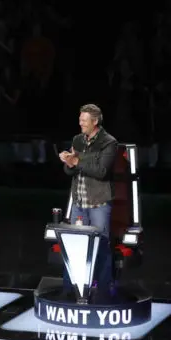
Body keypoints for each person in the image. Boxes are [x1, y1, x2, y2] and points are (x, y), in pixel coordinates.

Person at [59, 104, 117, 299]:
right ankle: (71, 289)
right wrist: (69, 162)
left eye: (84, 120)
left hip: (99, 204)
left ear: (95, 121)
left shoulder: (109, 142)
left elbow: (101, 171)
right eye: (80, 119)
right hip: (79, 204)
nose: (80, 122)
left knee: (101, 245)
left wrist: (78, 161)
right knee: (75, 247)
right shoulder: (77, 139)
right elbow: (70, 171)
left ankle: (103, 291)